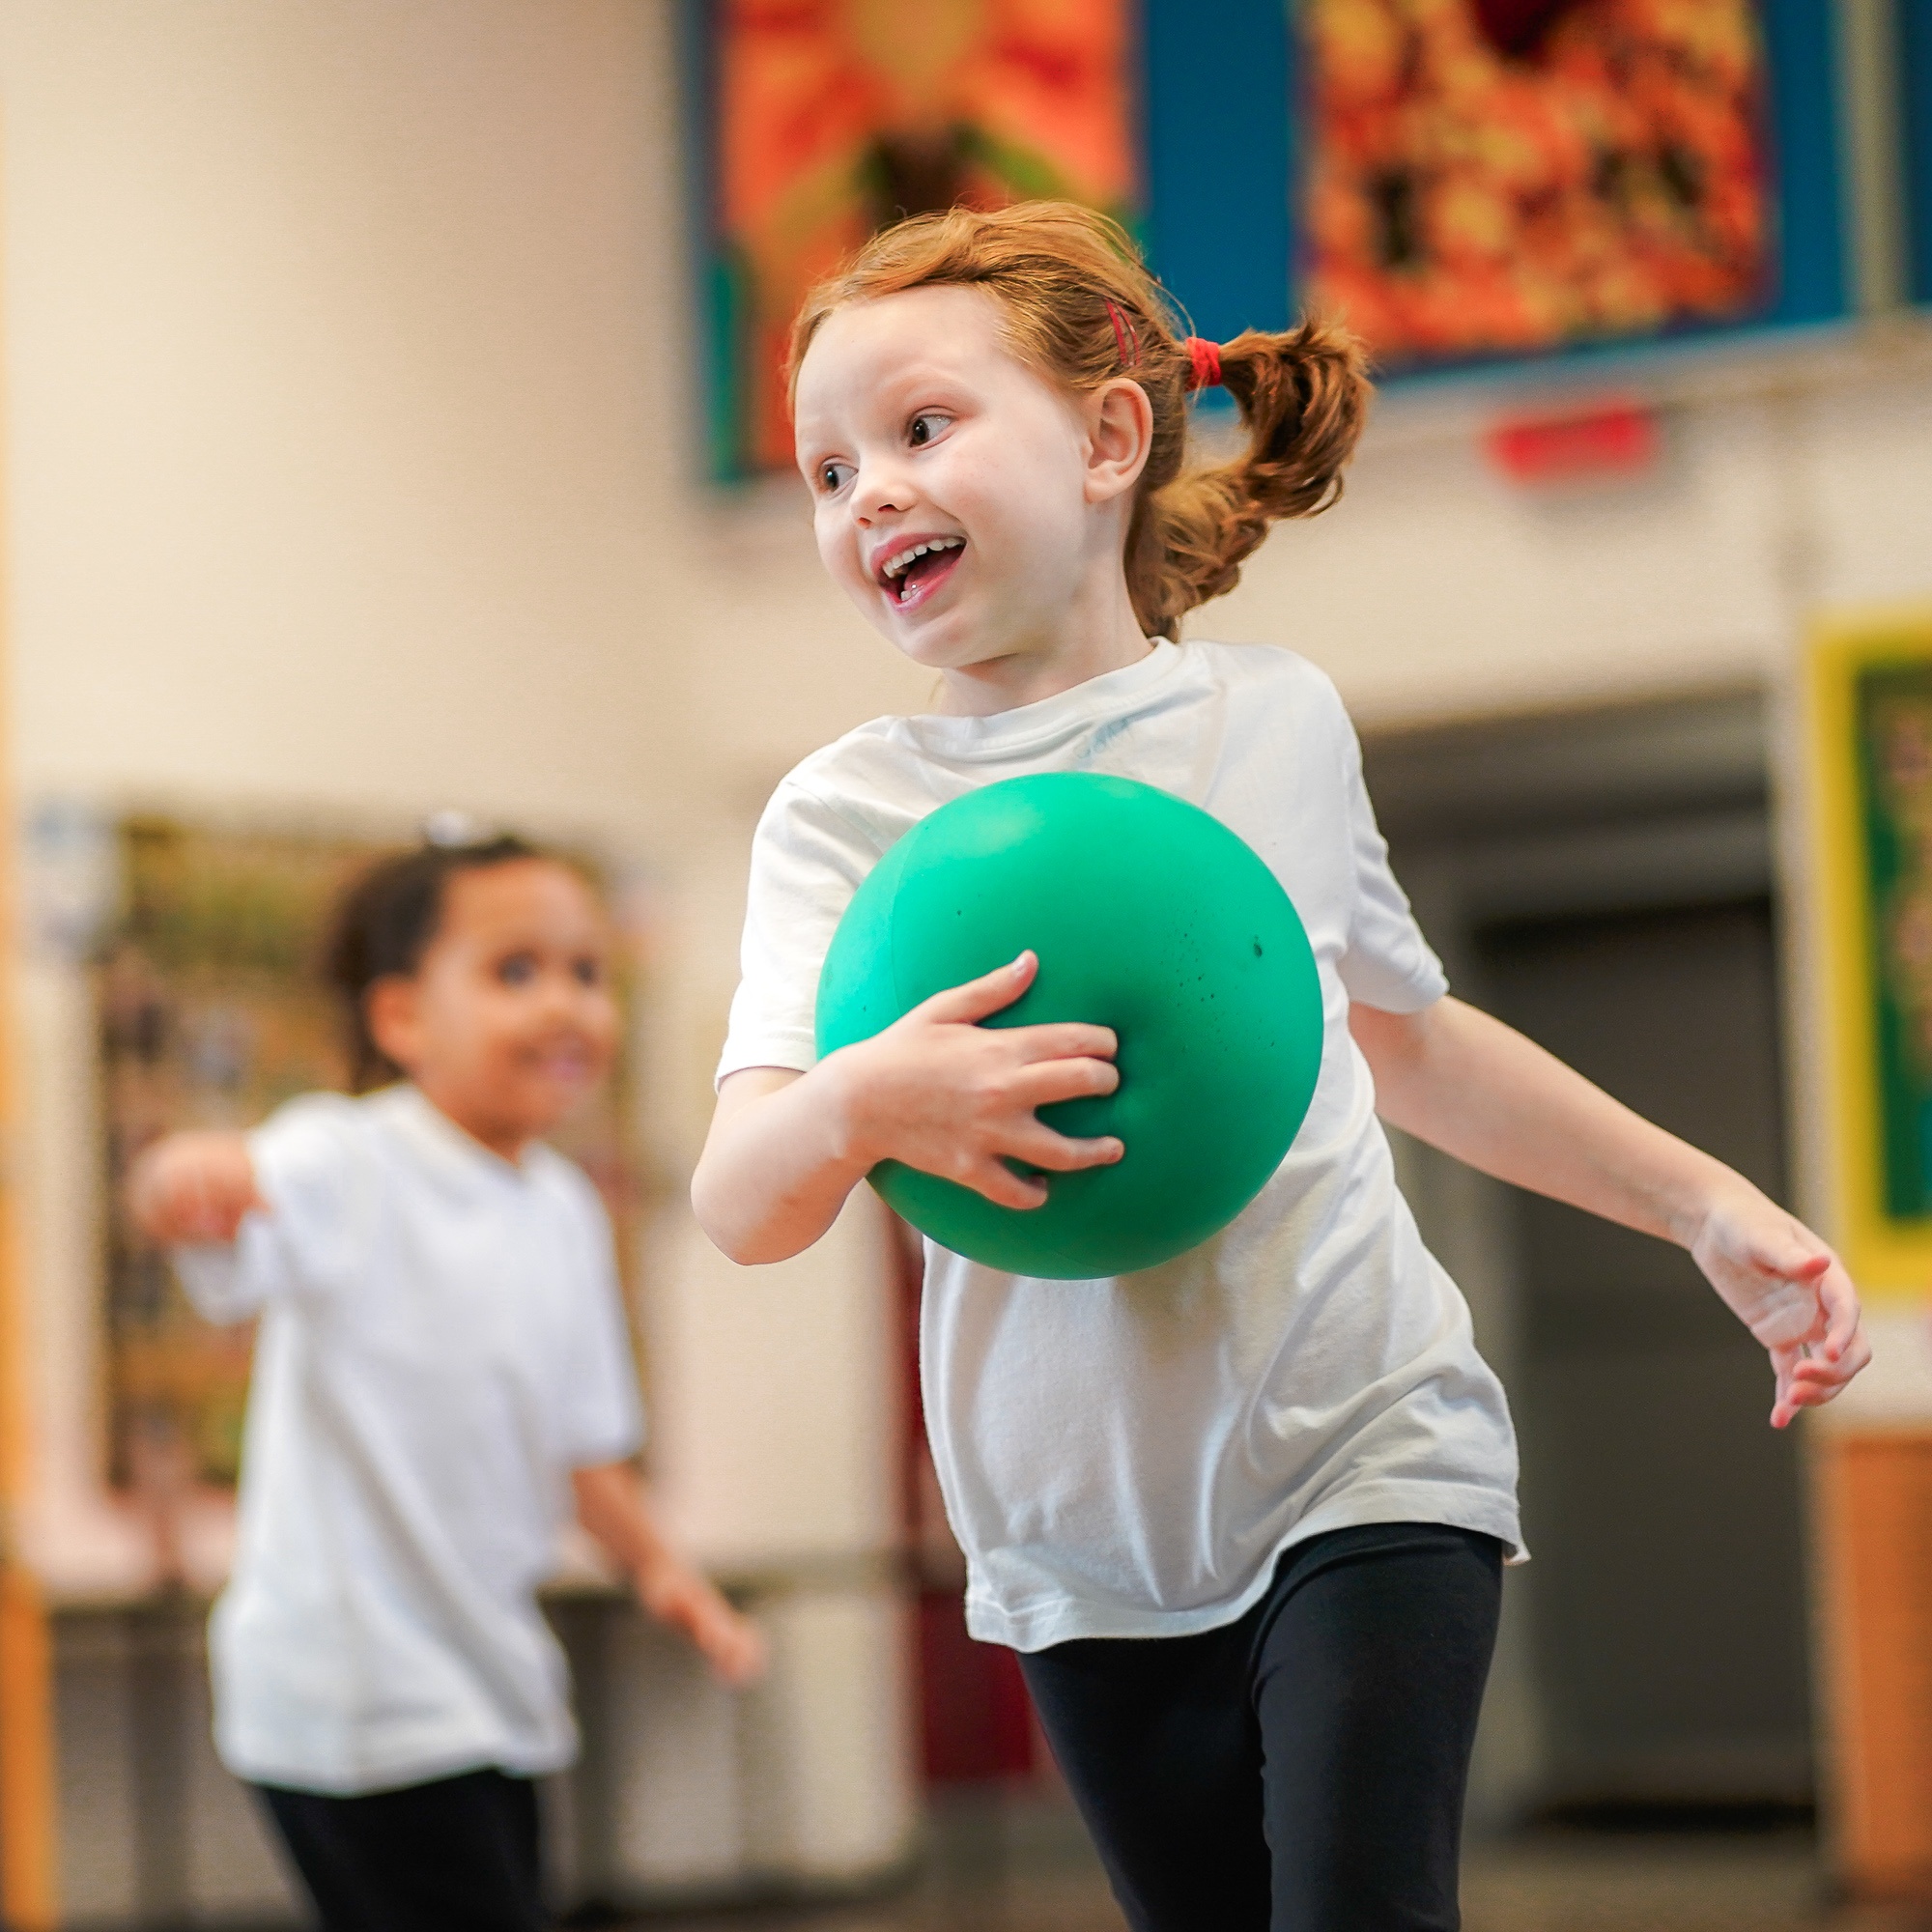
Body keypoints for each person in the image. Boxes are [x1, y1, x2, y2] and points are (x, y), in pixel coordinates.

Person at [688, 202, 1871, 1932]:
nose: (867, 492)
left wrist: (1703, 1205)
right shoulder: (839, 818)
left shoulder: (1272, 722)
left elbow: (1405, 1034)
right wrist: (864, 1100)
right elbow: (742, 1200)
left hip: (1360, 1448)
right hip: (1079, 1532)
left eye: (921, 427)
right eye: (824, 468)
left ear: (1109, 437)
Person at [129, 834, 764, 1932]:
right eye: (516, 970)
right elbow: (220, 1186)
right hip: (355, 1694)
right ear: (401, 1017)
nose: (565, 1004)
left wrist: (666, 1572)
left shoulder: (563, 1209)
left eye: (586, 971)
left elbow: (583, 1452)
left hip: (489, 1683)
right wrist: (182, 1177)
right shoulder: (348, 1156)